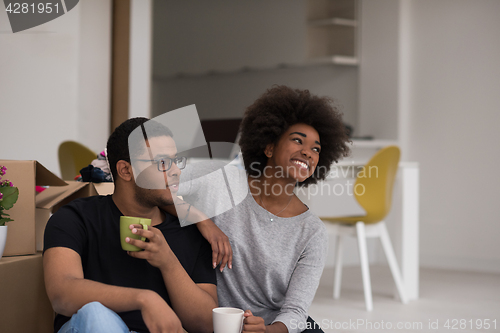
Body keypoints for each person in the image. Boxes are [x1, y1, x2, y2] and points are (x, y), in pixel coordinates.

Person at [169, 85, 351, 333]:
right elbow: (159, 183)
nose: (308, 152)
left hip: (272, 327)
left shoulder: (311, 232)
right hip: (215, 319)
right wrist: (202, 219)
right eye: (298, 140)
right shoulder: (223, 180)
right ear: (269, 147)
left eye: (316, 149)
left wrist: (266, 330)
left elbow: (296, 312)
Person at [43, 118, 218, 333]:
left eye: (176, 161)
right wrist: (144, 299)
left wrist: (168, 262)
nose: (176, 172)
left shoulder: (193, 231)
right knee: (96, 314)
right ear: (126, 170)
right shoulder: (76, 217)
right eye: (162, 163)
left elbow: (207, 325)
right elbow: (61, 295)